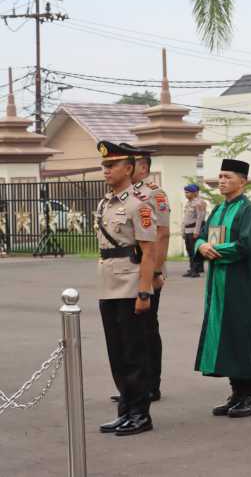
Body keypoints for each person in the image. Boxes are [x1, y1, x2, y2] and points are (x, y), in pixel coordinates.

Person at [94, 141, 158, 436]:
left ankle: (140, 414)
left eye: (112, 165)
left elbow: (149, 251)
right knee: (117, 352)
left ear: (129, 168)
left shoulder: (140, 204)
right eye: (104, 166)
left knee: (136, 353)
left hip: (132, 285)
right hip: (108, 285)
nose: (106, 170)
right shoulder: (105, 204)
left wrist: (144, 292)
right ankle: (125, 410)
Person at [195, 159, 251, 418]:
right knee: (226, 335)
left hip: (241, 284)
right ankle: (237, 394)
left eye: (227, 176)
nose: (222, 181)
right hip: (218, 284)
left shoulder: (249, 211)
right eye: (220, 176)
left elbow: (248, 244)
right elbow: (202, 236)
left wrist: (213, 251)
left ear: (242, 181)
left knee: (242, 334)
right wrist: (201, 246)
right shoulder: (217, 210)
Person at [122, 143, 171, 403]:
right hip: (127, 271)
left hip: (148, 270)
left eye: (131, 164)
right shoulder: (123, 195)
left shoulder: (154, 193)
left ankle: (151, 383)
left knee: (147, 328)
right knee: (129, 330)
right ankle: (132, 385)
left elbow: (162, 234)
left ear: (142, 167)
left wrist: (155, 271)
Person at [182, 184, 207, 278]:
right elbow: (185, 219)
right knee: (189, 250)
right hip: (188, 230)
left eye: (188, 192)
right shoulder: (189, 203)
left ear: (195, 193)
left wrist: (197, 231)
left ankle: (196, 270)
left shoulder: (199, 203)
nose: (186, 194)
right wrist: (183, 231)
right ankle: (192, 268)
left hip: (194, 230)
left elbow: (200, 218)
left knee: (195, 251)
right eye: (185, 192)